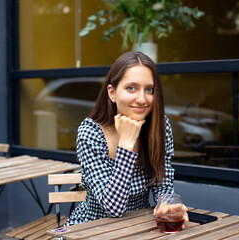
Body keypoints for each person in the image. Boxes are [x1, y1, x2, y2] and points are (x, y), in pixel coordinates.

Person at [63, 51, 188, 228]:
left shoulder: (159, 126)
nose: (142, 99)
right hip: (92, 228)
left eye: (149, 89)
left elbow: (163, 185)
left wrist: (167, 207)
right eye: (131, 88)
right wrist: (127, 145)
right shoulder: (91, 132)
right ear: (112, 93)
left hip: (139, 226)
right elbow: (113, 208)